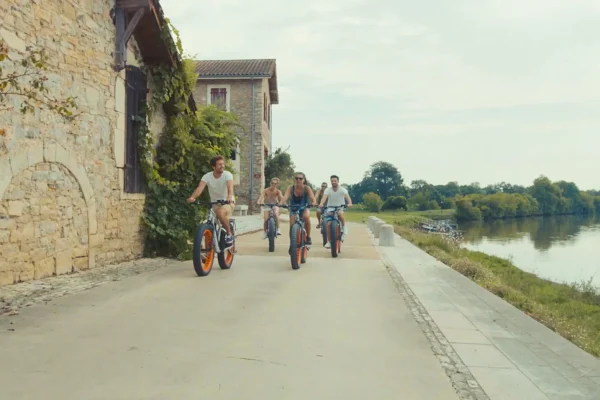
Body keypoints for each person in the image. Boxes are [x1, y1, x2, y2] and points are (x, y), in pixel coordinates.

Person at [186, 155, 235, 246]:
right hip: (215, 204)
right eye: (219, 164)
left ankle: (229, 234)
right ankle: (207, 249)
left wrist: (229, 197)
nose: (222, 166)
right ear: (213, 167)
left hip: (227, 202)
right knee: (207, 223)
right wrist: (193, 197)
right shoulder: (207, 176)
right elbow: (199, 188)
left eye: (223, 164)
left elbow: (230, 188)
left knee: (221, 213)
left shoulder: (227, 175)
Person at [279, 172, 317, 246]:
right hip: (293, 208)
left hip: (304, 207)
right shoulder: (290, 188)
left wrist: (314, 202)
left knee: (306, 217)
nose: (298, 180)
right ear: (294, 179)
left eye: (300, 178)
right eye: (296, 178)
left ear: (304, 180)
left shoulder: (307, 188)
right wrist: (281, 203)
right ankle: (292, 245)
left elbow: (312, 198)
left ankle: (308, 237)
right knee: (292, 227)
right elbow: (285, 197)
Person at [318, 174, 353, 248]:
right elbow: (324, 198)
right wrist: (321, 203)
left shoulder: (342, 189)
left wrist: (349, 203)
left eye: (335, 181)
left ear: (338, 181)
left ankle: (344, 227)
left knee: (340, 214)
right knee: (328, 224)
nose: (333, 182)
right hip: (330, 207)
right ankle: (329, 241)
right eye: (332, 181)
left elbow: (348, 198)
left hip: (340, 207)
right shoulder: (328, 190)